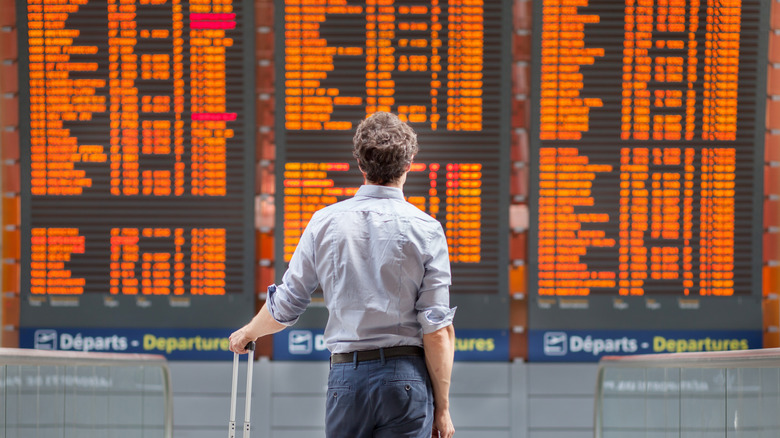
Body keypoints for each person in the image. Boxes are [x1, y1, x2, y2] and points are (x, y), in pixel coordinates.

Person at [228, 111, 456, 438]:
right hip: (406, 380)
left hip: (347, 380)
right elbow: (437, 330)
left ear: (361, 165)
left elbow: (287, 305)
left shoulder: (325, 222)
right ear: (409, 165)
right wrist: (443, 409)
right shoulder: (427, 230)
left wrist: (248, 333)